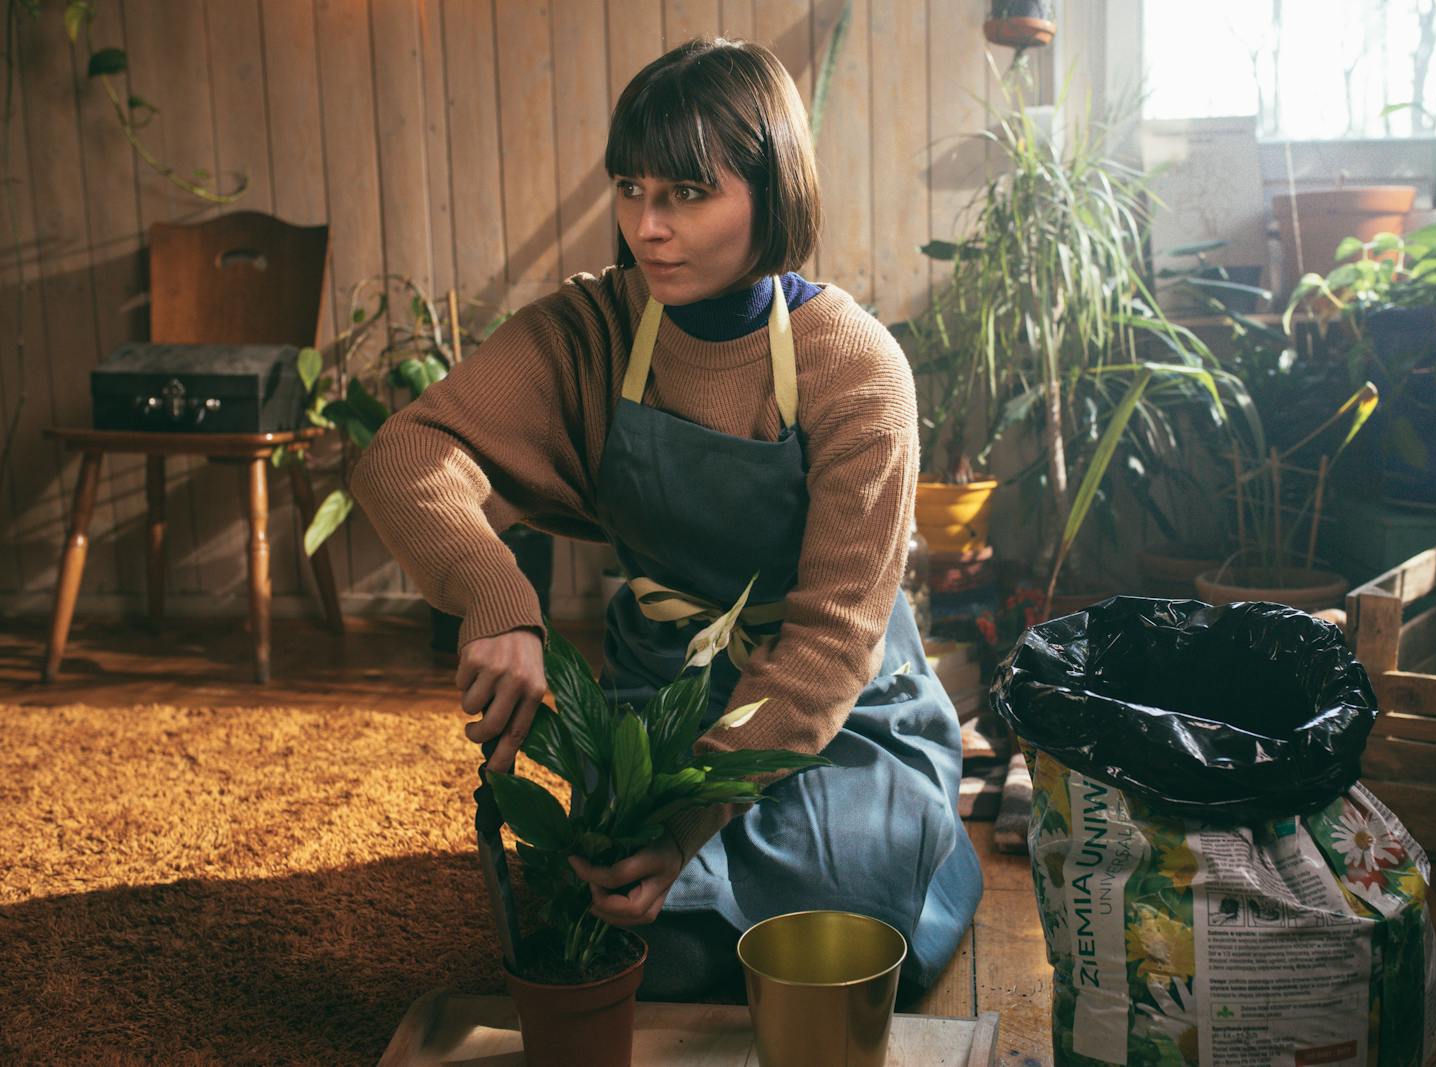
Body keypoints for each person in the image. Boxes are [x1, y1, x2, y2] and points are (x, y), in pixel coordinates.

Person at [350, 35, 981, 1001]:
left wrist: (689, 821)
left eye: (687, 193)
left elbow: (829, 643)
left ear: (771, 193)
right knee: (637, 940)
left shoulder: (854, 367)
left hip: (840, 709)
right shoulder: (592, 330)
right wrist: (496, 599)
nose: (648, 227)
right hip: (657, 698)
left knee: (832, 935)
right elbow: (404, 455)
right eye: (631, 189)